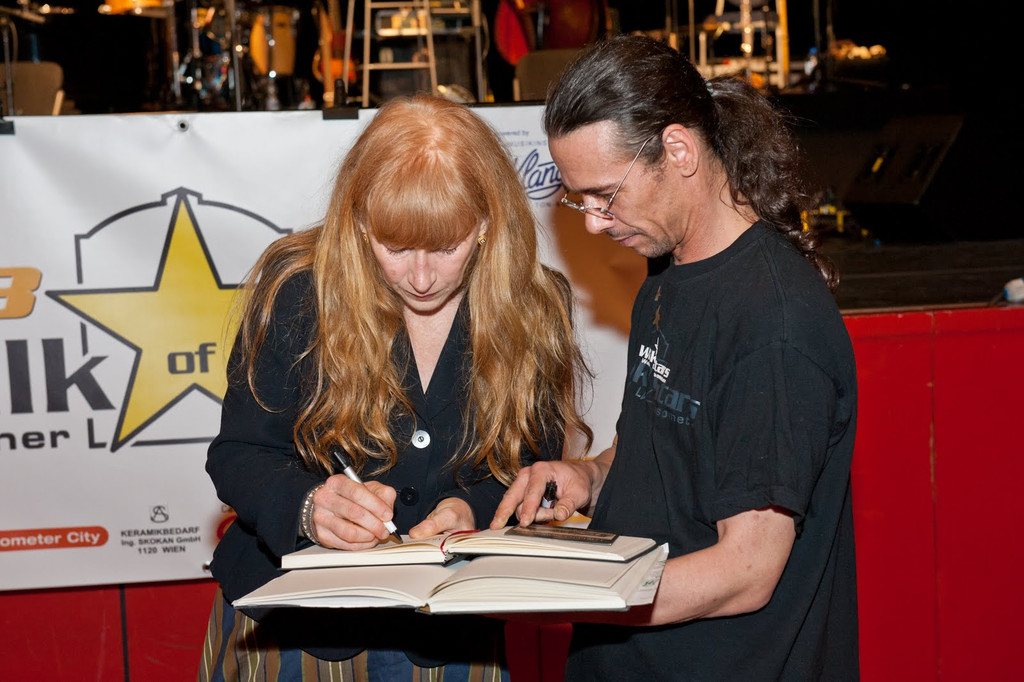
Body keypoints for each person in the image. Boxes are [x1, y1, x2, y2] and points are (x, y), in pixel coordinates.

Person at [491, 35, 859, 681]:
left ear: (679, 150)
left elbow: (746, 572)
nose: (594, 222)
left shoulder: (774, 327)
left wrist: (563, 591)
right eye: (579, 200)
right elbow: (663, 448)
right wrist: (589, 476)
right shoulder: (669, 268)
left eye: (606, 194)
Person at [199, 93, 593, 681]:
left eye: (447, 247)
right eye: (397, 247)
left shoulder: (535, 307)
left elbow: (530, 466)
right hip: (296, 625)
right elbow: (240, 453)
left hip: (452, 631)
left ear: (486, 222)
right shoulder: (297, 290)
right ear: (361, 222)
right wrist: (307, 507)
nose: (422, 277)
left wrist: (473, 508)